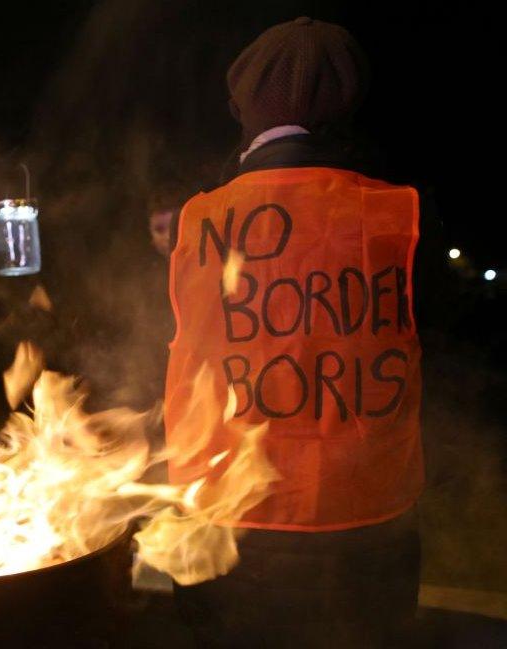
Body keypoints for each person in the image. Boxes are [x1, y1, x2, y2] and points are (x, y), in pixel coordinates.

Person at [165, 18, 422, 647]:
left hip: (226, 518)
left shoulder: (202, 219)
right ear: (348, 107)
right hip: (368, 521)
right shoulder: (396, 212)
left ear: (243, 109)